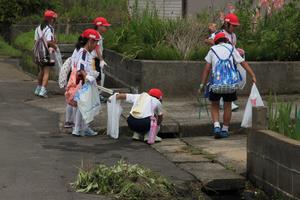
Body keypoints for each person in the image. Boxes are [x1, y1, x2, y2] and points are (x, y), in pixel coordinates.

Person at [199, 32, 256, 139]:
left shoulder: (212, 50)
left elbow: (207, 69)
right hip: (230, 85)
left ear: (215, 42)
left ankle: (216, 126)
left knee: (215, 104)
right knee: (227, 105)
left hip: (216, 84)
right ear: (226, 40)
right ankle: (225, 129)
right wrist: (252, 75)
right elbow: (243, 63)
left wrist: (202, 84)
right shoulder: (231, 48)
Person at [66, 29, 101, 137]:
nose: (96, 45)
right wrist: (88, 76)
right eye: (95, 42)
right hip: (83, 82)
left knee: (80, 106)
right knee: (83, 106)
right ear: (90, 41)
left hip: (80, 82)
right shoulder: (84, 52)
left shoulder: (82, 51)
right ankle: (81, 128)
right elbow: (81, 67)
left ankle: (79, 129)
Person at [34, 10, 58, 98]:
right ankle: (43, 90)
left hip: (38, 53)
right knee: (47, 72)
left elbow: (35, 41)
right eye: (54, 19)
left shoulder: (38, 28)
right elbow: (48, 41)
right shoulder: (49, 28)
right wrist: (55, 46)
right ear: (51, 19)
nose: (54, 20)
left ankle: (38, 88)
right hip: (47, 53)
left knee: (41, 71)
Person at [91, 17, 111, 86]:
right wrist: (101, 60)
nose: (106, 28)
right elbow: (97, 48)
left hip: (95, 59)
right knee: (97, 79)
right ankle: (97, 94)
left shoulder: (97, 35)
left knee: (98, 78)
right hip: (94, 60)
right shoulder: (97, 35)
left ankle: (97, 94)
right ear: (99, 26)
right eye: (105, 26)